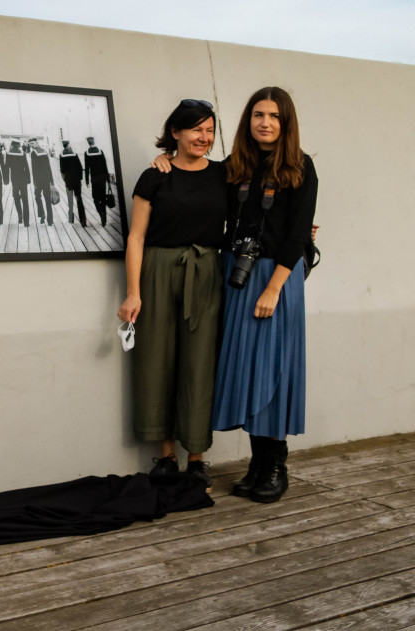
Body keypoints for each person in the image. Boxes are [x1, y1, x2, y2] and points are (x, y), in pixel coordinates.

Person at [210, 87, 318, 503]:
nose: (265, 123)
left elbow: (297, 234)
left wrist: (274, 288)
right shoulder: (234, 166)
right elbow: (198, 187)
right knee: (247, 369)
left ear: (286, 122)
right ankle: (257, 464)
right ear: (248, 120)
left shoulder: (300, 167)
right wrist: (164, 161)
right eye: (258, 114)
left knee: (273, 369)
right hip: (239, 276)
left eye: (274, 116)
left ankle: (275, 466)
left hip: (277, 277)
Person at [117, 99, 227, 491]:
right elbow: (136, 237)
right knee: (156, 359)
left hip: (206, 272)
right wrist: (133, 293)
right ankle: (166, 457)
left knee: (200, 362)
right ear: (176, 132)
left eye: (210, 130)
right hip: (158, 270)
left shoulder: (225, 175)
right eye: (196, 129)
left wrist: (300, 230)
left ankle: (196, 458)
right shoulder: (154, 177)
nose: (204, 137)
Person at [84, 136, 111, 227]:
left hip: (94, 179)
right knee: (103, 198)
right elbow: (105, 166)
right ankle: (104, 220)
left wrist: (87, 181)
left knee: (96, 199)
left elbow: (87, 168)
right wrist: (108, 179)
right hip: (102, 178)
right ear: (94, 142)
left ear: (88, 143)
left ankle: (100, 213)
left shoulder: (87, 153)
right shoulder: (100, 151)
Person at [59, 140, 86, 226]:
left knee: (70, 199)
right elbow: (80, 167)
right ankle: (83, 219)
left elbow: (62, 169)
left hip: (68, 181)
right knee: (79, 198)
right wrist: (80, 178)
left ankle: (71, 218)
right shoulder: (74, 154)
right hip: (76, 180)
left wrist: (65, 180)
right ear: (68, 145)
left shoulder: (61, 155)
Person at [29, 137, 55, 225]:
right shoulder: (44, 151)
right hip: (47, 179)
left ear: (37, 143)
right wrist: (52, 181)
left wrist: (34, 182)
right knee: (48, 199)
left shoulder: (33, 153)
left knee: (37, 197)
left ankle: (42, 214)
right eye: (30, 144)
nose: (31, 145)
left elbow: (34, 168)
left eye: (32, 143)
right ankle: (50, 220)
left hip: (38, 180)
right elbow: (48, 167)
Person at [5, 139, 31, 227]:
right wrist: (28, 179)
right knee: (25, 199)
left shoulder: (8, 154)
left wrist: (6, 180)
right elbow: (26, 166)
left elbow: (6, 167)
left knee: (16, 197)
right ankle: (26, 222)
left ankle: (20, 214)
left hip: (14, 179)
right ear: (18, 145)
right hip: (23, 178)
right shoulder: (22, 153)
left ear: (12, 144)